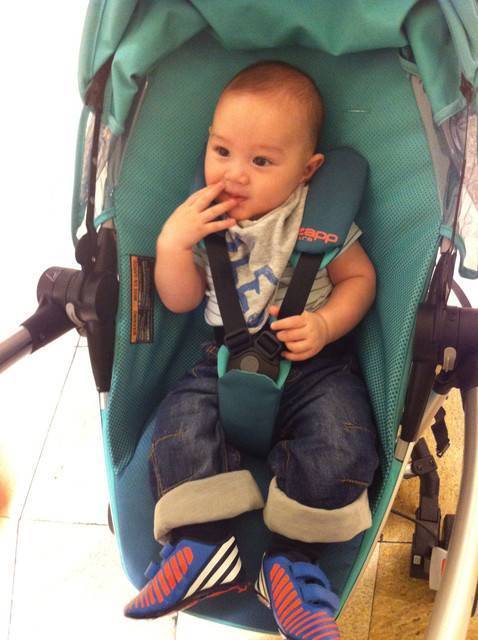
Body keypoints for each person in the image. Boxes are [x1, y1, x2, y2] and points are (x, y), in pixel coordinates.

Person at [124, 61, 379, 640]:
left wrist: (325, 324)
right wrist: (173, 244)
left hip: (314, 366)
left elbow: (359, 280)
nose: (234, 174)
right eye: (221, 151)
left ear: (307, 169)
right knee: (179, 424)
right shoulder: (202, 218)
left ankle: (290, 564)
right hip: (221, 361)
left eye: (261, 161)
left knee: (342, 436)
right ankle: (205, 546)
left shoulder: (317, 216)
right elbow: (181, 299)